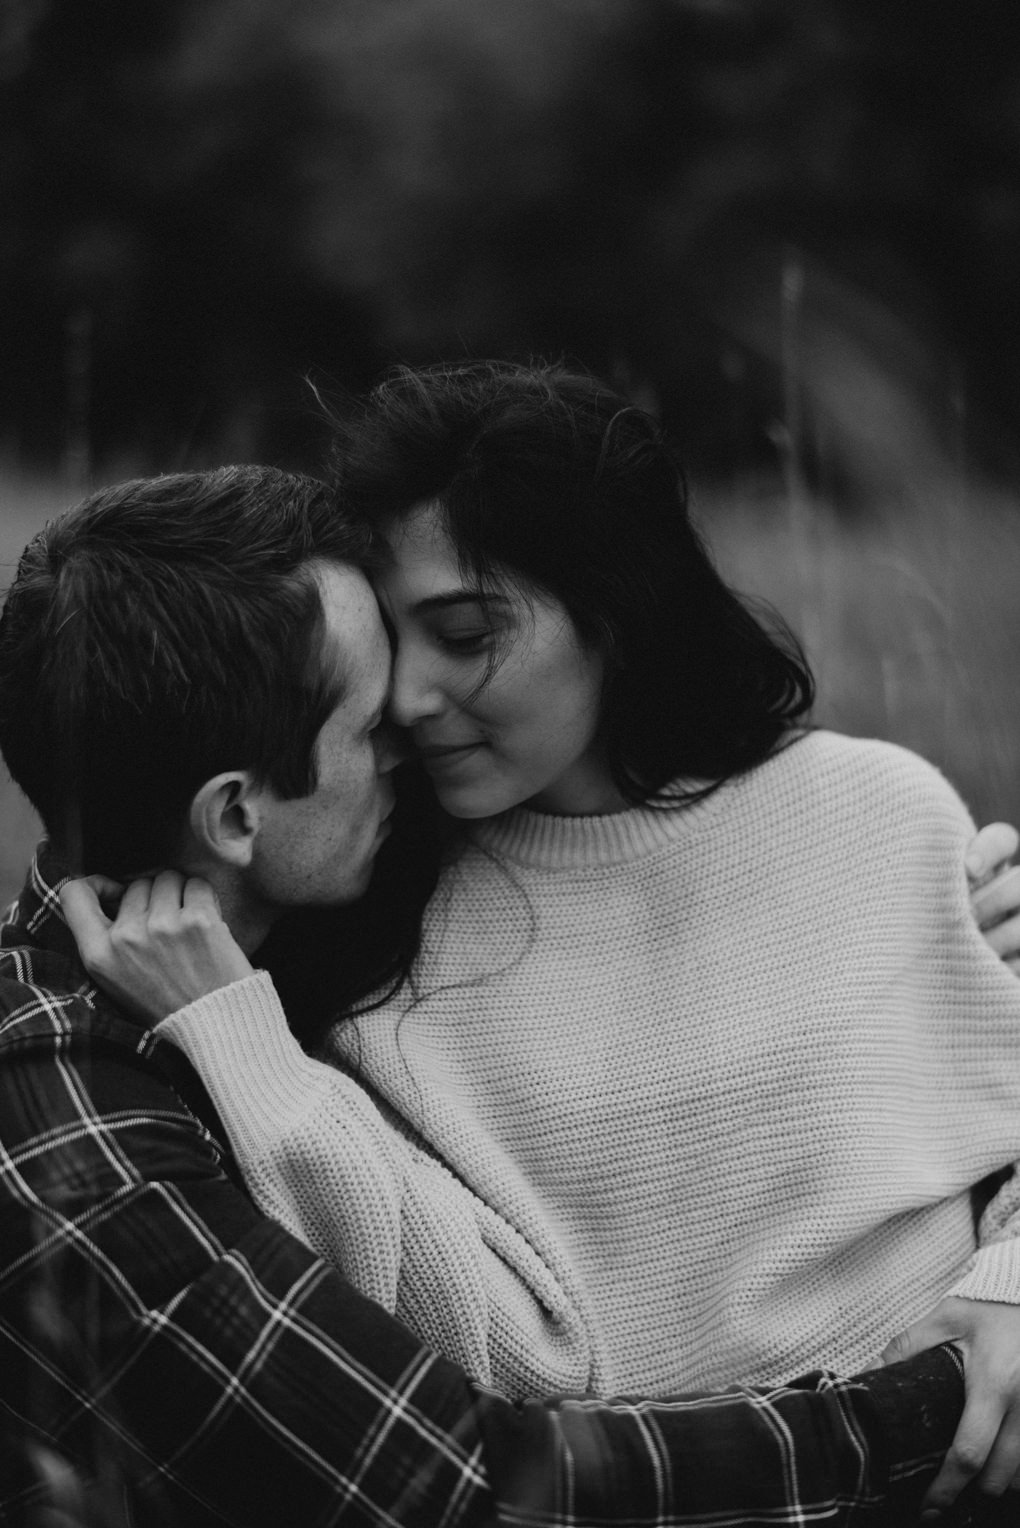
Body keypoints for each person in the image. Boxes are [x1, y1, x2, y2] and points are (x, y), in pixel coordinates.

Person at [56, 368, 1020, 1523]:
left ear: (614, 610)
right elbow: (487, 1359)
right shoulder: (368, 928)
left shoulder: (878, 811)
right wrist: (244, 1045)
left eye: (463, 634)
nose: (408, 694)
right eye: (391, 640)